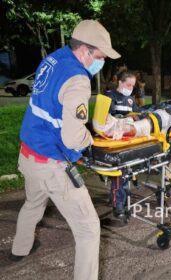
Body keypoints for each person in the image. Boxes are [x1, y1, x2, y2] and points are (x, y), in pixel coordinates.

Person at [9, 20, 120, 280]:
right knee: (89, 229)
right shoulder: (79, 79)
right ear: (86, 50)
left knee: (33, 204)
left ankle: (19, 249)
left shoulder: (53, 59)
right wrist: (91, 140)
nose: (101, 62)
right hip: (52, 164)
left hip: (28, 154)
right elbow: (72, 139)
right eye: (101, 56)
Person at [103, 70, 143, 221]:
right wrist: (124, 119)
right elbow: (106, 119)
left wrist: (137, 117)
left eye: (133, 86)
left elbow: (137, 115)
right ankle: (118, 204)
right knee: (119, 175)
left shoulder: (131, 99)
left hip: (128, 140)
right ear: (120, 82)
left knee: (127, 172)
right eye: (128, 85)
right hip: (115, 141)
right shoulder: (110, 97)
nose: (130, 88)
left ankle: (122, 199)